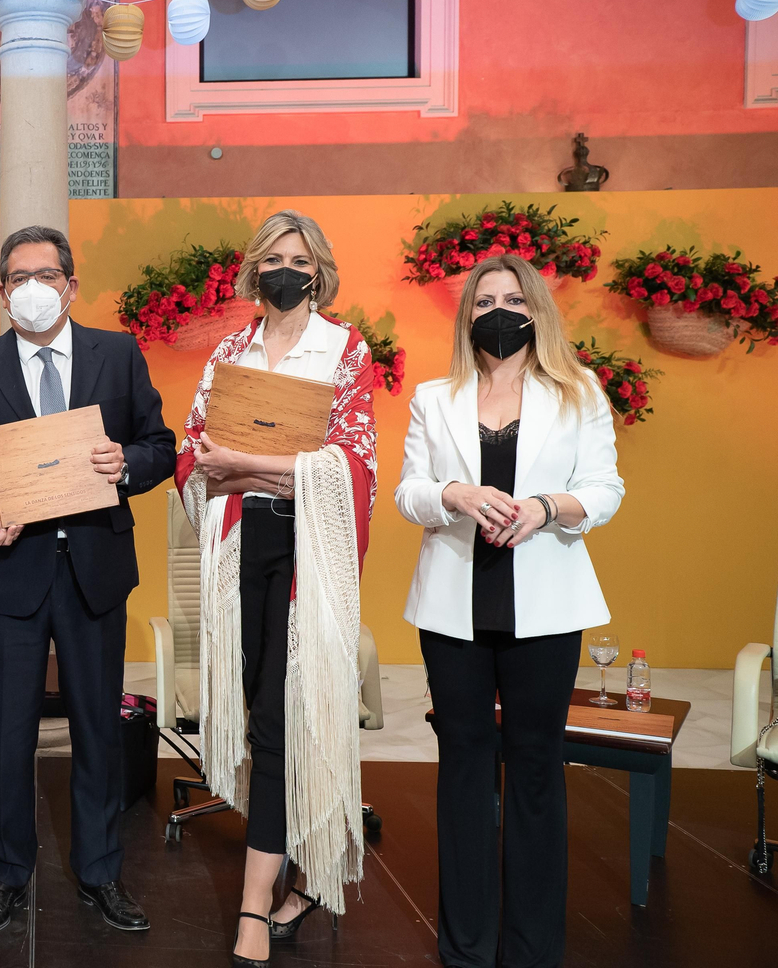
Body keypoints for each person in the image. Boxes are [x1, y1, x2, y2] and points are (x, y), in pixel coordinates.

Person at [0, 224, 176, 936]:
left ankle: (100, 872)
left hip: (95, 568)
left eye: (46, 275)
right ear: (3, 293)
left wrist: (123, 464)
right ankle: (8, 871)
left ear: (71, 285)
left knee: (98, 728)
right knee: (5, 733)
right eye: (17, 278)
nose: (31, 289)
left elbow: (160, 447)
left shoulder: (119, 353)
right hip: (11, 570)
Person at [395, 254, 623, 968]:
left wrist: (546, 507)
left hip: (546, 612)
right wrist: (453, 494)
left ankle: (531, 950)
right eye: (486, 299)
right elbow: (408, 492)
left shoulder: (578, 392)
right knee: (463, 769)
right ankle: (464, 947)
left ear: (538, 313)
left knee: (534, 769)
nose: (501, 311)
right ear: (468, 315)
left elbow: (606, 489)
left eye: (515, 300)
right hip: (454, 607)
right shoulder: (435, 397)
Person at [175, 211, 376, 966]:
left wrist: (257, 466)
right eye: (273, 259)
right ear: (254, 270)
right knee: (266, 720)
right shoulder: (232, 350)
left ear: (318, 271)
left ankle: (254, 906)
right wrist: (277, 463)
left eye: (300, 259)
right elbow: (197, 458)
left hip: (309, 551)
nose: (287, 270)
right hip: (244, 547)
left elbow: (354, 460)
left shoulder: (344, 348)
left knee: (283, 720)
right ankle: (300, 874)